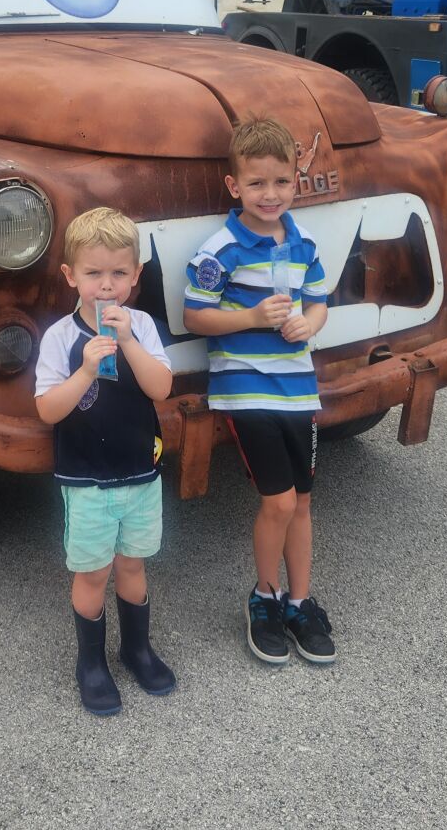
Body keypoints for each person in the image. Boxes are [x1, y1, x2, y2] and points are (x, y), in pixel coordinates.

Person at [183, 117, 336, 667]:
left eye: (280, 183)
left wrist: (309, 325)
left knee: (304, 504)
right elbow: (194, 316)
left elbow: (319, 301)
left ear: (295, 182)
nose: (269, 195)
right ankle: (264, 597)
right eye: (256, 184)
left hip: (299, 391)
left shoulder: (303, 243)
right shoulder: (220, 249)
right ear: (234, 187)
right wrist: (249, 315)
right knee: (278, 501)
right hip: (248, 390)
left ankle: (300, 601)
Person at [34, 207, 176, 716]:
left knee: (133, 565)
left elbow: (161, 387)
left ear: (136, 277)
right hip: (87, 480)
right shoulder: (59, 338)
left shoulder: (141, 326)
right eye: (93, 274)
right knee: (93, 573)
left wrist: (130, 341)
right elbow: (48, 408)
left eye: (119, 274)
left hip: (140, 472)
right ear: (71, 276)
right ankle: (89, 662)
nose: (106, 286)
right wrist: (87, 368)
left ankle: (136, 648)